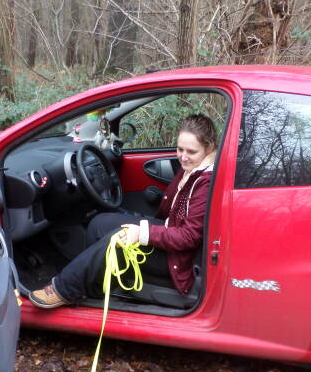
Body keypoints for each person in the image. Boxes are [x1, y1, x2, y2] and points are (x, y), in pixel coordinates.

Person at [29, 114, 218, 308]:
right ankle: (94, 287)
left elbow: (189, 237)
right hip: (170, 231)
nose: (183, 157)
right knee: (100, 223)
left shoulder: (206, 181)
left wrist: (143, 233)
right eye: (180, 149)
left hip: (180, 258)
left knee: (117, 239)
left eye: (191, 151)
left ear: (209, 148)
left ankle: (65, 289)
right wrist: (147, 228)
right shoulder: (194, 168)